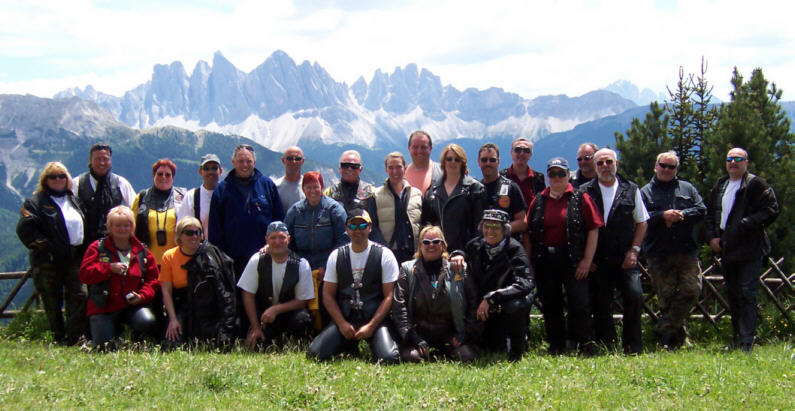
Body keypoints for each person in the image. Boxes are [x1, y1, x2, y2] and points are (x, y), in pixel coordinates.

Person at [526, 157, 603, 355]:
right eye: (553, 174)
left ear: (569, 175)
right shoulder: (539, 199)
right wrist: (530, 261)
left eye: (561, 173)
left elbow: (594, 229)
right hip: (545, 260)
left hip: (573, 260)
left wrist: (587, 260)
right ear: (548, 177)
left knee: (580, 302)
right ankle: (556, 344)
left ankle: (584, 343)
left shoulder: (580, 198)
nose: (557, 177)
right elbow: (527, 230)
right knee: (551, 304)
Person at [706, 147, 779, 352]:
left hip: (750, 247)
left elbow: (772, 210)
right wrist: (712, 236)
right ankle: (737, 339)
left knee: (747, 293)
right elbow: (711, 213)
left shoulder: (756, 184)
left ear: (746, 162)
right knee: (733, 293)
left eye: (738, 159)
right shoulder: (720, 185)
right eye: (729, 159)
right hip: (728, 247)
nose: (733, 162)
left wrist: (747, 223)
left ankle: (748, 341)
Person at [307, 209, 400, 362]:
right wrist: (342, 324)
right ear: (346, 229)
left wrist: (371, 326)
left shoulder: (385, 255)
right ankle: (348, 344)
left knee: (388, 358)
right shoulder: (336, 256)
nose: (358, 230)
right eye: (353, 226)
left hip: (375, 319)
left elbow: (390, 296)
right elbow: (327, 295)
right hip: (346, 318)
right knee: (314, 354)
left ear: (370, 228)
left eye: (363, 226)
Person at [579, 148, 648, 354]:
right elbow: (578, 228)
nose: (604, 167)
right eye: (600, 163)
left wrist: (634, 250)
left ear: (616, 163)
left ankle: (632, 345)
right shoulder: (584, 191)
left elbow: (642, 223)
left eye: (608, 162)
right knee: (601, 303)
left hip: (625, 257)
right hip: (597, 259)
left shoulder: (631, 189)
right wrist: (586, 258)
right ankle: (606, 344)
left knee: (635, 296)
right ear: (595, 166)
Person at [640, 151, 706, 349]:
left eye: (671, 167)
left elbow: (702, 210)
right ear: (656, 166)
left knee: (692, 290)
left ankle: (663, 329)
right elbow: (641, 217)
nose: (666, 170)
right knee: (666, 298)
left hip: (686, 250)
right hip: (658, 252)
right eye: (663, 165)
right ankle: (676, 341)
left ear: (676, 169)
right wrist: (663, 216)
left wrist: (682, 215)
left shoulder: (687, 188)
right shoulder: (645, 192)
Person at [16, 162, 87, 345]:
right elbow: (25, 229)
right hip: (48, 260)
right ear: (45, 180)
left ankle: (74, 337)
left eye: (61, 176)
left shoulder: (75, 200)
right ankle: (58, 337)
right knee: (51, 300)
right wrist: (46, 247)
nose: (58, 180)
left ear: (67, 179)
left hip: (74, 257)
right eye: (53, 176)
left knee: (79, 296)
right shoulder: (35, 202)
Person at [450, 209, 534, 361]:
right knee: (491, 346)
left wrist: (493, 297)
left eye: (495, 227)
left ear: (505, 230)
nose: (490, 231)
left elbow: (526, 283)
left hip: (505, 303)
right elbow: (463, 251)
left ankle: (518, 349)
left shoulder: (515, 249)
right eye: (486, 226)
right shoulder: (475, 245)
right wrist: (458, 255)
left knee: (516, 305)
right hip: (482, 307)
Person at [392, 226, 479, 362]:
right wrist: (412, 337)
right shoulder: (407, 269)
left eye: (436, 241)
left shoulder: (459, 269)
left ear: (443, 245)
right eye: (426, 242)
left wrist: (465, 333)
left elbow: (474, 302)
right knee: (412, 358)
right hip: (419, 332)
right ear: (420, 246)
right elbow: (399, 307)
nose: (431, 245)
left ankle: (448, 349)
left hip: (449, 333)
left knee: (468, 356)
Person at [79, 206, 160, 350]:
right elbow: (84, 274)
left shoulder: (142, 252)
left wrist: (142, 296)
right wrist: (108, 268)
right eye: (117, 225)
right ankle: (110, 334)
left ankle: (136, 339)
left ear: (132, 227)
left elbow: (152, 280)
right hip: (104, 306)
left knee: (147, 321)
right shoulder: (97, 248)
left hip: (131, 306)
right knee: (104, 349)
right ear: (110, 227)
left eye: (126, 225)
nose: (122, 229)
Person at [159, 217, 237, 348]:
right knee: (171, 345)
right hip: (182, 305)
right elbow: (166, 292)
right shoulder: (169, 256)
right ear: (180, 236)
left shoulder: (211, 255)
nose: (194, 236)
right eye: (189, 233)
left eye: (198, 232)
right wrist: (173, 319)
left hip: (206, 307)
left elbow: (224, 293)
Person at [209, 144, 285, 275]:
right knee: (238, 295)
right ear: (233, 162)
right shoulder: (222, 190)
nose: (245, 165)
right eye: (240, 161)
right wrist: (221, 259)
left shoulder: (267, 185)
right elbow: (215, 229)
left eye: (249, 161)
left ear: (254, 162)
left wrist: (274, 245)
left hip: (265, 255)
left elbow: (278, 221)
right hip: (233, 260)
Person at [238, 221, 315, 348]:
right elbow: (247, 294)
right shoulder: (257, 260)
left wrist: (276, 309)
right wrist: (256, 326)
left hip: (288, 314)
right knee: (258, 346)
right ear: (266, 240)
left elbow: (303, 300)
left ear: (288, 239)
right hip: (263, 316)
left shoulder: (301, 264)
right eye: (273, 237)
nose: (277, 242)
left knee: (303, 319)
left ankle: (295, 344)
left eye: (281, 237)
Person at [421, 143, 487, 253]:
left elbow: (480, 227)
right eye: (449, 159)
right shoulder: (432, 191)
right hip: (438, 252)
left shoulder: (475, 188)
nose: (453, 162)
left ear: (463, 163)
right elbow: (426, 225)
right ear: (443, 162)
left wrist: (470, 252)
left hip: (467, 253)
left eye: (457, 159)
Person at [73, 143, 136, 246]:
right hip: (84, 245)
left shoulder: (120, 183)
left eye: (105, 159)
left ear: (110, 160)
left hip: (114, 244)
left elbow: (134, 209)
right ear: (90, 160)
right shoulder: (77, 183)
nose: (102, 163)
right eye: (97, 159)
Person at [368, 152, 423, 263]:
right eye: (391, 168)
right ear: (386, 170)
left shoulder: (417, 195)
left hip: (414, 254)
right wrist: (383, 249)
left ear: (405, 168)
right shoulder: (376, 196)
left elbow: (424, 223)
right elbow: (372, 226)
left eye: (398, 167)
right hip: (388, 255)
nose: (395, 172)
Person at [131, 159, 186, 265]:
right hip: (147, 261)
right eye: (160, 174)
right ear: (153, 175)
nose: (163, 177)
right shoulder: (141, 197)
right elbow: (131, 228)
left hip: (176, 262)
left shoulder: (183, 197)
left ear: (173, 177)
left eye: (168, 175)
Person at [478, 143, 527, 237]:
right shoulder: (476, 189)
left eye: (492, 160)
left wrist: (503, 230)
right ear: (478, 162)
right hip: (482, 246)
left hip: (507, 246)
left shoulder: (511, 187)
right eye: (484, 160)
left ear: (498, 161)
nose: (488, 163)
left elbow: (523, 222)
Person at [175, 153, 223, 235]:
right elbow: (181, 229)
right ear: (200, 172)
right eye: (206, 169)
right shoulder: (191, 196)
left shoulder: (228, 194)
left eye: (214, 168)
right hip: (199, 246)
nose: (210, 172)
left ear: (220, 171)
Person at [499, 137, 545, 206]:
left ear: (530, 154)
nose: (522, 153)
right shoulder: (501, 176)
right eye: (518, 150)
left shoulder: (538, 178)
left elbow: (542, 204)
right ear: (511, 153)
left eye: (526, 150)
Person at [404, 130, 443, 195]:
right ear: (409, 148)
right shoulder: (402, 174)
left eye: (423, 147)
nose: (419, 151)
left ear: (430, 148)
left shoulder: (443, 172)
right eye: (415, 147)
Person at [273, 146, 306, 212]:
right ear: (283, 160)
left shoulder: (309, 186)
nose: (294, 162)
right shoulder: (275, 187)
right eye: (289, 158)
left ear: (303, 161)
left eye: (298, 158)